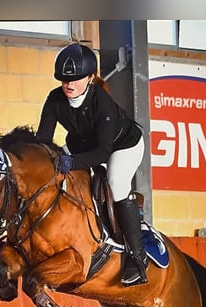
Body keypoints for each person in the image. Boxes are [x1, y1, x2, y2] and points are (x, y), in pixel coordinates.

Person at [36, 43, 148, 287]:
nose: (69, 84)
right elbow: (42, 140)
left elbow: (103, 152)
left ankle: (137, 259)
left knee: (116, 183)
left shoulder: (102, 103)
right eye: (65, 79)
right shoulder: (55, 99)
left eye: (75, 79)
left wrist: (70, 161)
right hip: (82, 144)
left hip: (122, 146)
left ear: (90, 77)